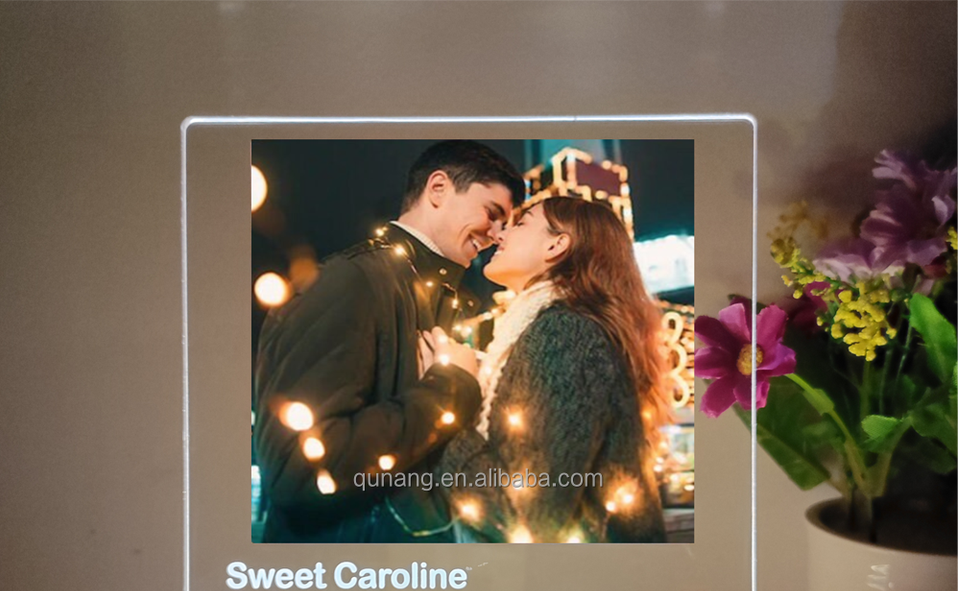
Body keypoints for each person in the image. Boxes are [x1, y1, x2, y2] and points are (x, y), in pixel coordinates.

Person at [254, 141, 525, 542]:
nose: (498, 235)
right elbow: (297, 470)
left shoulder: (446, 300)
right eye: (492, 213)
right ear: (438, 189)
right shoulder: (351, 281)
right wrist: (451, 389)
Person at [439, 196, 670, 543]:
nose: (499, 234)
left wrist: (449, 406)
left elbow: (526, 517)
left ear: (557, 245)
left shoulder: (566, 333)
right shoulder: (539, 331)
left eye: (521, 223)